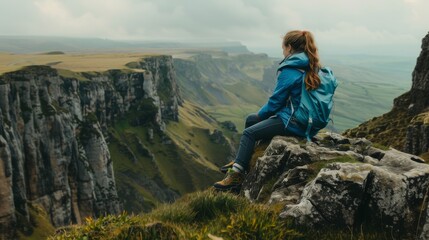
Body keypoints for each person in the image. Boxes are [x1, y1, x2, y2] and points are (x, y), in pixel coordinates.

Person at [213, 30, 322, 191]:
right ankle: (241, 160)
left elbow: (275, 103)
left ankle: (235, 176)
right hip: (308, 120)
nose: (282, 52)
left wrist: (261, 114)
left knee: (249, 132)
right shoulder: (311, 64)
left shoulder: (291, 70)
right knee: (251, 119)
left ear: (290, 48)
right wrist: (258, 117)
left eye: (283, 48)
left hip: (295, 121)